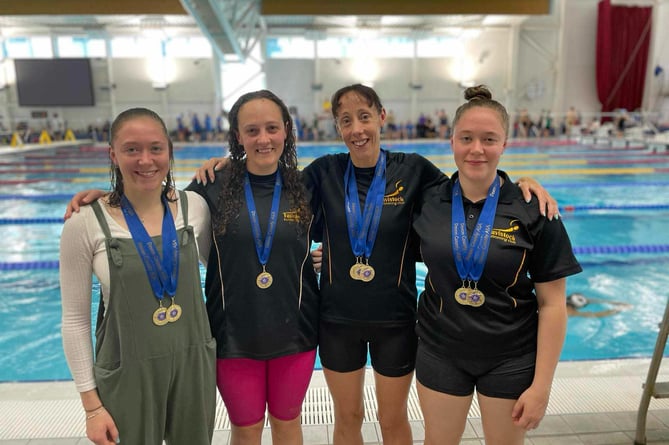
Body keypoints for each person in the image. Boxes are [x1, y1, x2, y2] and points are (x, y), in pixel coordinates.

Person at [69, 85, 559, 445]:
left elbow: (468, 189)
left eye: (364, 116)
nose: (357, 128)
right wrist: (107, 199)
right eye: (346, 120)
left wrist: (522, 183)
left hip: (390, 322)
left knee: (388, 422)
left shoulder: (406, 172)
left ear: (381, 116)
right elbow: (178, 200)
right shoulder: (316, 175)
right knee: (322, 422)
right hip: (326, 321)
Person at [65, 91, 320, 445]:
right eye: (252, 129)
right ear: (237, 135)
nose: (263, 138)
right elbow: (153, 206)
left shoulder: (308, 184)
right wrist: (108, 198)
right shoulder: (210, 187)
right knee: (245, 430)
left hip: (296, 331)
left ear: (287, 130)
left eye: (272, 128)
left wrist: (323, 259)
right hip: (232, 337)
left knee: (288, 424)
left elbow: (339, 234)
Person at [412, 85, 583, 445]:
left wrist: (541, 387)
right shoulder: (427, 201)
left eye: (489, 139)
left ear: (505, 144)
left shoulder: (534, 209)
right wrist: (319, 257)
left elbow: (553, 305)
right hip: (441, 350)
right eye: (467, 138)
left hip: (511, 357)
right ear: (452, 141)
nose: (477, 149)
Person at [60, 107, 216, 445]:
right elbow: (74, 320)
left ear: (170, 153)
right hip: (126, 373)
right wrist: (91, 407)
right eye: (132, 149)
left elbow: (225, 272)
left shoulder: (195, 209)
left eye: (155, 148)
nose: (145, 160)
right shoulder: (85, 222)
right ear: (113, 155)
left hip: (193, 367)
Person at [566, 293, 632, 317]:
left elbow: (588, 301)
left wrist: (613, 303)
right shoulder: (570, 312)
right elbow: (595, 315)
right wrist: (616, 309)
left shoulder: (565, 302)